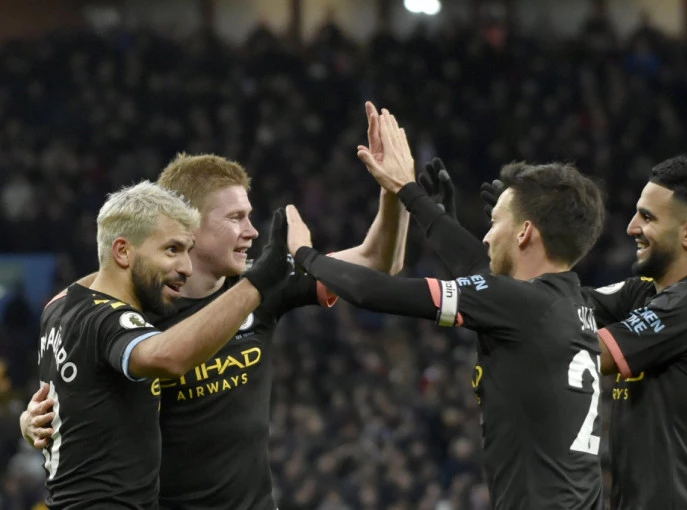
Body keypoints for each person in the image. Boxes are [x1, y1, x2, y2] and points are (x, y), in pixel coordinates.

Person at [22, 102, 411, 510]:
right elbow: (74, 382)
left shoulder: (263, 284)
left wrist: (395, 191)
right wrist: (33, 421)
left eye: (249, 216)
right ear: (188, 223)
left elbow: (378, 262)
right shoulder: (135, 306)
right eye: (235, 218)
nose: (252, 231)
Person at [284, 110, 607, 509]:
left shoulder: (520, 303)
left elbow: (374, 291)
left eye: (495, 223)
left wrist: (305, 254)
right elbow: (478, 270)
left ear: (525, 232)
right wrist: (427, 210)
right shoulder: (571, 302)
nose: (486, 236)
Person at [437, 156, 687, 509]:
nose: (632, 227)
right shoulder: (646, 294)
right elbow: (549, 306)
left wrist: (520, 249)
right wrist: (515, 241)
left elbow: (567, 345)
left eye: (648, 217)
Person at [36, 181, 289, 509]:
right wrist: (257, 285)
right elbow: (166, 358)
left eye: (187, 250)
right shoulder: (109, 320)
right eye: (172, 250)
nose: (186, 267)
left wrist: (31, 423)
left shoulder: (60, 307)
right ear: (123, 251)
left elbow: (61, 410)